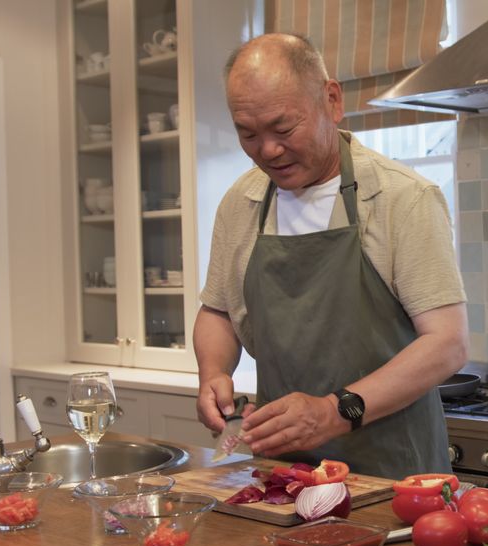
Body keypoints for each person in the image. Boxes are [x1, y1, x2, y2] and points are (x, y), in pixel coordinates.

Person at [194, 33, 468, 479]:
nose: (268, 150)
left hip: (394, 478)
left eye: (283, 129)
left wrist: (332, 412)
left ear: (332, 100)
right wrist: (213, 372)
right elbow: (218, 310)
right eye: (248, 134)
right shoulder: (241, 202)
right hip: (284, 478)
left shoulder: (403, 197)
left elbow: (448, 344)